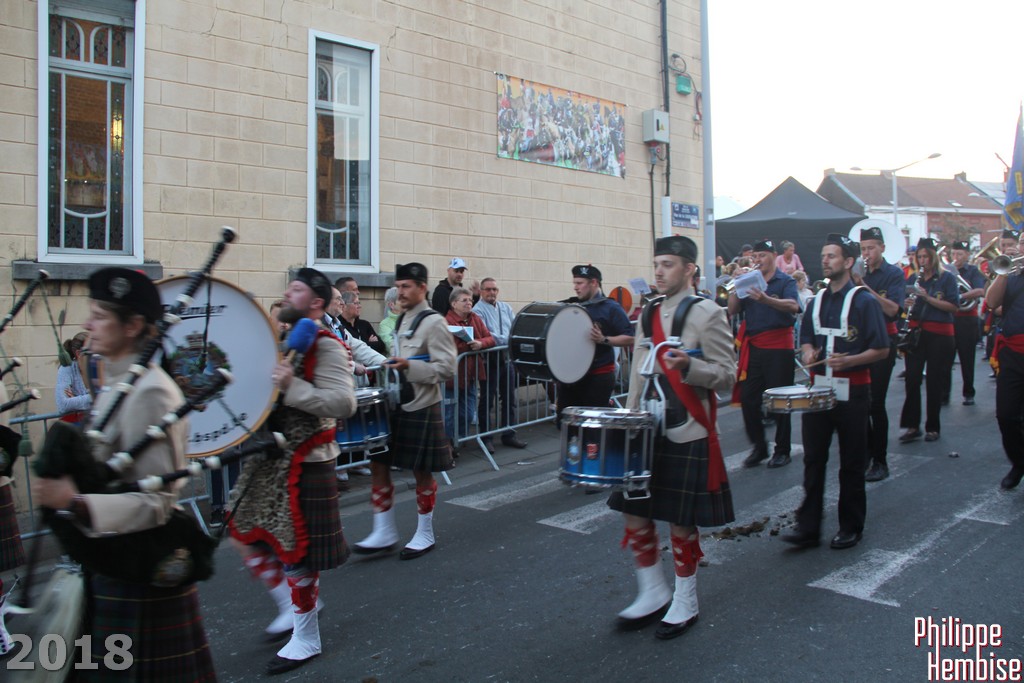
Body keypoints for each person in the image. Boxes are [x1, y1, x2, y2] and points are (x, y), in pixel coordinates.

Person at [32, 267, 217, 680]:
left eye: (99, 316)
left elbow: (157, 501)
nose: (88, 324)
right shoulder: (117, 383)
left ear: (132, 326)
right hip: (113, 564)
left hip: (140, 576)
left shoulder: (151, 392)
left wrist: (76, 503)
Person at [228, 267, 357, 675]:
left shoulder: (327, 345)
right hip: (270, 458)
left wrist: (292, 388)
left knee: (296, 554)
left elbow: (343, 403)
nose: (286, 294)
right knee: (241, 531)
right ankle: (290, 604)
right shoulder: (286, 342)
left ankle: (306, 636)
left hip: (307, 459)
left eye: (296, 290)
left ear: (316, 303)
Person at [607, 235, 735, 640]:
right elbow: (637, 368)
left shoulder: (708, 313)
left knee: (681, 521)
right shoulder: (649, 312)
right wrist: (630, 414)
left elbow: (728, 376)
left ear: (689, 269)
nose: (659, 272)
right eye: (656, 264)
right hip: (646, 429)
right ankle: (652, 590)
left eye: (668, 264)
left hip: (687, 428)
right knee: (634, 511)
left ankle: (685, 599)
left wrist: (690, 369)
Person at [782, 234, 889, 550]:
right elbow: (806, 339)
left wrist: (850, 360)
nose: (825, 260)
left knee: (852, 463)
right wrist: (807, 352)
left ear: (848, 261)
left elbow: (882, 349)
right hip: (818, 392)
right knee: (813, 460)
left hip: (853, 393)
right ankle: (808, 527)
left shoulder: (865, 301)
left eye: (832, 256)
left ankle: (851, 526)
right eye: (823, 255)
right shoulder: (816, 301)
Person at [354, 263, 457, 560]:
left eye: (406, 286)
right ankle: (384, 531)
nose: (400, 292)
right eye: (398, 286)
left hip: (421, 404)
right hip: (395, 403)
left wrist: (409, 366)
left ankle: (425, 532)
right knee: (378, 463)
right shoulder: (401, 320)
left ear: (422, 287)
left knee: (421, 471)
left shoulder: (434, 322)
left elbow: (447, 368)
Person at [728, 239, 800, 468]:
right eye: (755, 256)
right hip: (755, 346)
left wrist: (766, 299)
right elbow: (732, 309)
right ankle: (759, 446)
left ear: (774, 256)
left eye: (762, 255)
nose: (758, 260)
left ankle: (782, 449)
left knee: (780, 401)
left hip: (779, 346)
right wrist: (736, 284)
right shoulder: (749, 280)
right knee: (748, 399)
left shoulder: (785, 280)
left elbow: (794, 306)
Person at [854, 226, 906, 482]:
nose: (867, 253)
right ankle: (865, 453)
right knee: (860, 401)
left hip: (884, 340)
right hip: (859, 342)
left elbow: (893, 309)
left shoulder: (894, 274)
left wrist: (862, 286)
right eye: (863, 249)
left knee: (876, 403)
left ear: (882, 248)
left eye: (871, 248)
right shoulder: (855, 272)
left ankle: (880, 460)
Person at [555, 265, 634, 421]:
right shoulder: (572, 307)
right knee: (565, 421)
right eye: (574, 283)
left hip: (599, 375)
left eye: (579, 283)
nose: (575, 287)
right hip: (572, 377)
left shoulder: (611, 308)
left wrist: (604, 339)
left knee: (592, 424)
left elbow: (630, 337)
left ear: (594, 283)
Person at [899, 238, 959, 443]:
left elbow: (953, 307)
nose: (923, 260)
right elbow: (906, 308)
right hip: (917, 333)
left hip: (940, 335)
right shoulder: (913, 278)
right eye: (920, 257)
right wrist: (907, 304)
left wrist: (927, 298)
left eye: (926, 257)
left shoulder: (947, 278)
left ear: (933, 258)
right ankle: (912, 425)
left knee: (934, 381)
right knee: (912, 379)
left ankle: (933, 427)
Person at [984, 240, 1024, 489]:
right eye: (1023, 243)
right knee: (1006, 415)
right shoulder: (1012, 275)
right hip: (1012, 354)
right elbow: (990, 303)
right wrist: (1002, 273)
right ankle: (1019, 462)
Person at [473, 277, 527, 452]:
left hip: (507, 359)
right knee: (487, 400)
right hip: (489, 360)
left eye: (494, 289)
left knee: (509, 398)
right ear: (481, 291)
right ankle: (486, 437)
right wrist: (508, 340)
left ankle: (509, 434)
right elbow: (487, 335)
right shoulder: (477, 311)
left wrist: (507, 339)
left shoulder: (505, 307)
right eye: (488, 289)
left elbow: (515, 328)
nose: (491, 292)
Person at [444, 287, 495, 452]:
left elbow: (490, 338)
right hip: (453, 375)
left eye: (470, 300)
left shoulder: (475, 318)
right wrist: (468, 346)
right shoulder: (446, 322)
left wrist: (481, 344)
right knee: (449, 413)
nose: (469, 303)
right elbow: (447, 347)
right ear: (454, 304)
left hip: (471, 373)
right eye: (464, 300)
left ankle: (460, 438)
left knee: (467, 411)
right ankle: (448, 444)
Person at [945, 241, 987, 406]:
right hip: (950, 318)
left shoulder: (973, 271)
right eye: (953, 254)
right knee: (945, 359)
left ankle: (969, 393)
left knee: (967, 358)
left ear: (967, 255)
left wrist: (959, 296)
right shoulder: (946, 271)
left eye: (960, 254)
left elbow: (980, 290)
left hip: (967, 319)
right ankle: (944, 394)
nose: (956, 257)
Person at [55, 331, 92, 423]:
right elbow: (63, 405)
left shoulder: (99, 365)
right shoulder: (67, 368)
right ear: (79, 354)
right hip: (76, 424)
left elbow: (108, 397)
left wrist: (76, 399)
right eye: (91, 351)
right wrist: (93, 397)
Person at [338, 291, 388, 356]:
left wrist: (362, 345)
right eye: (356, 303)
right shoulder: (338, 326)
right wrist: (369, 343)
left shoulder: (364, 325)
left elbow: (381, 346)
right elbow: (348, 349)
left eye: (359, 303)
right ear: (344, 306)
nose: (359, 306)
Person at [378, 286, 401, 355]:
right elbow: (392, 346)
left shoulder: (412, 318)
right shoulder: (384, 324)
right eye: (401, 299)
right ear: (391, 305)